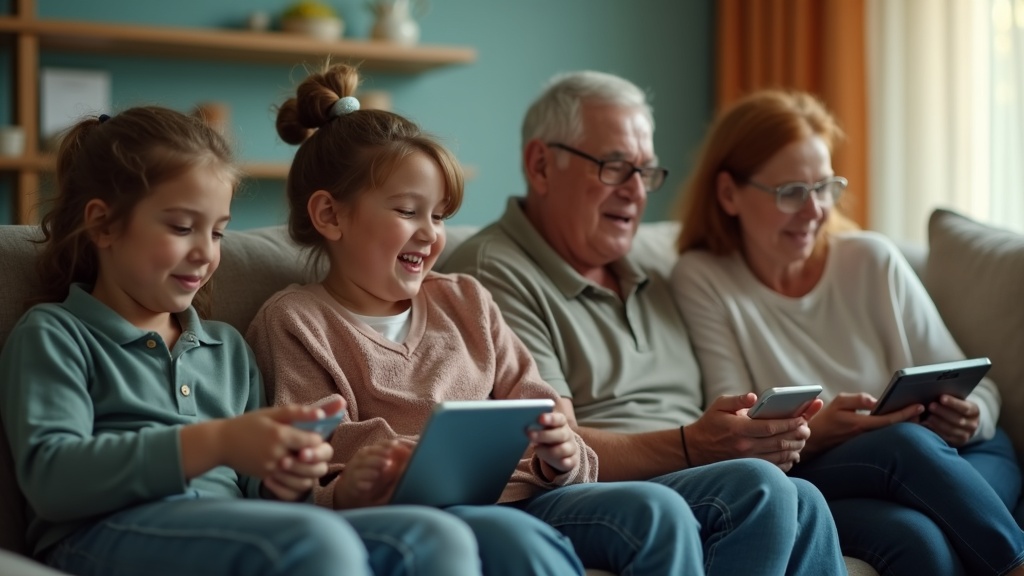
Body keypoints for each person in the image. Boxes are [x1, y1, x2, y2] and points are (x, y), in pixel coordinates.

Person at [245, 63, 704, 576]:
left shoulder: (466, 299)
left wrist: (562, 455)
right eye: (406, 212)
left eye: (438, 216)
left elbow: (549, 418)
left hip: (529, 494)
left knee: (658, 510)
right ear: (330, 215)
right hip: (427, 515)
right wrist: (363, 477)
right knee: (518, 537)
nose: (430, 234)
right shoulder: (295, 322)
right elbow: (305, 471)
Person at [0, 106, 482, 576]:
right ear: (104, 224)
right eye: (182, 227)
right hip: (101, 532)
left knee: (435, 536)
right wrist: (218, 442)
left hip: (231, 526)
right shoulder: (56, 333)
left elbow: (258, 491)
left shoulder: (226, 348)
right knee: (313, 542)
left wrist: (293, 476)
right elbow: (51, 478)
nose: (205, 253)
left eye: (218, 232)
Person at [442, 71, 845, 574]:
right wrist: (691, 444)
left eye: (647, 172)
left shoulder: (657, 269)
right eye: (615, 167)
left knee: (804, 499)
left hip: (696, 479)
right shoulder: (491, 275)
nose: (636, 192)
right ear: (541, 165)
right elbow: (550, 442)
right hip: (587, 492)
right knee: (758, 488)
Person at [671, 88, 1024, 575]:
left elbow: (977, 384)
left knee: (922, 535)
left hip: (963, 454)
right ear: (729, 193)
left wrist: (972, 416)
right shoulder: (703, 278)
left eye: (824, 187)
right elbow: (735, 428)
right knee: (910, 462)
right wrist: (814, 433)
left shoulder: (869, 259)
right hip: (828, 467)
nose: (815, 210)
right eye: (791, 192)